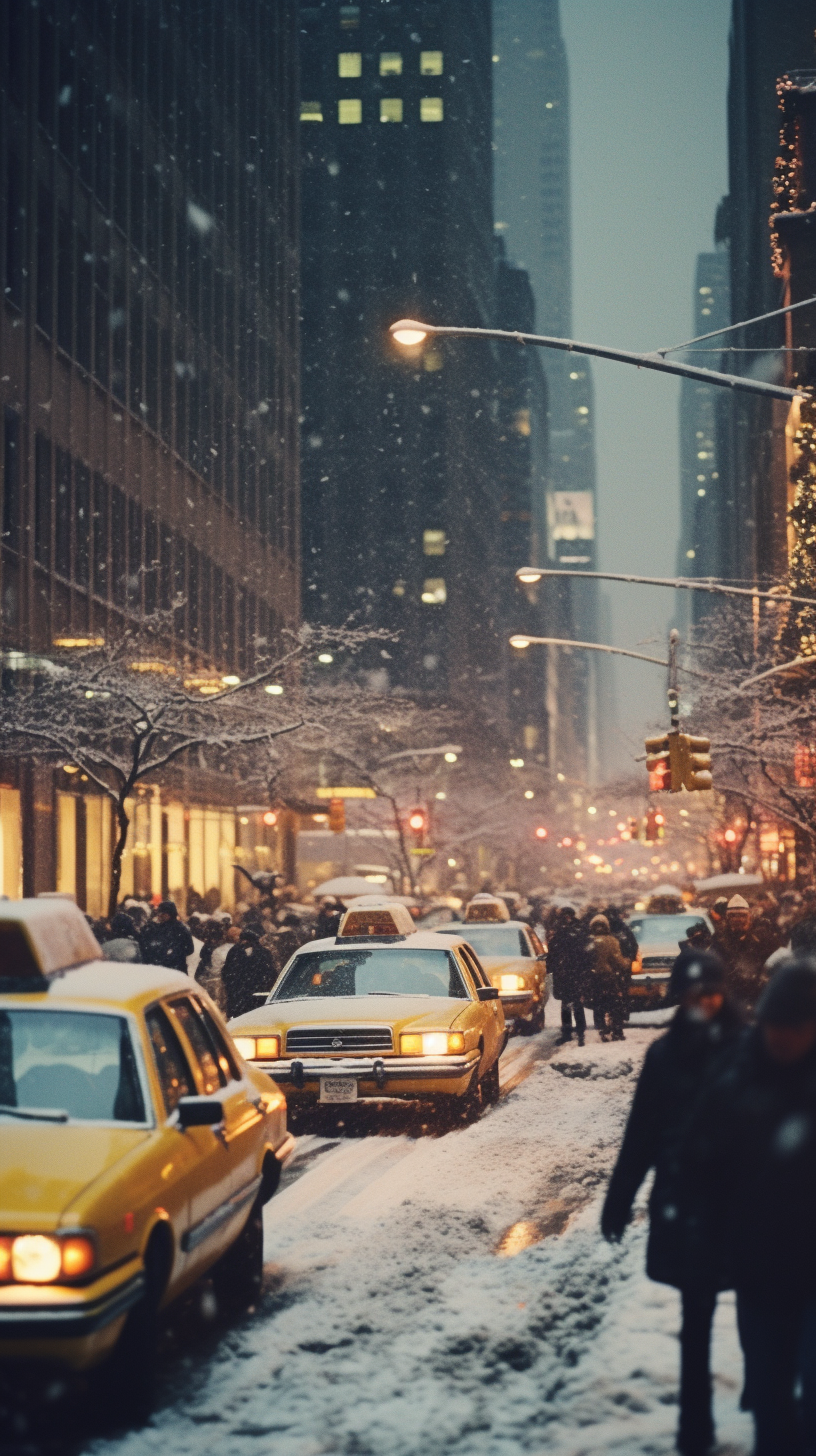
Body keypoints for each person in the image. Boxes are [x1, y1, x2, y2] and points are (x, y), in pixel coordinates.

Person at [602, 950, 742, 1456]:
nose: (702, 1004)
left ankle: (761, 1390)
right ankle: (695, 1426)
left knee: (757, 1307)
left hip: (742, 1205)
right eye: (692, 996)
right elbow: (641, 1136)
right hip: (688, 1205)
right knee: (697, 1316)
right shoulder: (664, 1056)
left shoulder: (747, 1049)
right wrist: (619, 1200)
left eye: (709, 995)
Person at [682, 962, 816, 1456]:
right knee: (769, 1392)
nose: (784, 1037)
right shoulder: (734, 1082)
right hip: (762, 1270)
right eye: (776, 1025)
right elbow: (699, 1165)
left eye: (797, 1027)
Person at [711, 893, 776, 1011]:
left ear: (749, 917)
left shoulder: (761, 938)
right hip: (730, 995)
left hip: (757, 993)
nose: (738, 919)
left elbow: (773, 962)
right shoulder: (719, 939)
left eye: (742, 915)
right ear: (728, 918)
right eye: (733, 916)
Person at [548, 907, 590, 1046]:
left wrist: (551, 967)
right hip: (575, 972)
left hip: (565, 972)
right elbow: (586, 952)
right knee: (576, 1003)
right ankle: (579, 1032)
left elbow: (553, 953)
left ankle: (568, 1032)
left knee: (567, 1003)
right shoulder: (580, 930)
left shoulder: (560, 931)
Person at [586, 913, 630, 1041]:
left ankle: (602, 1029)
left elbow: (584, 960)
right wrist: (626, 963)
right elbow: (618, 961)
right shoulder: (612, 941)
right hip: (609, 976)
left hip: (593, 978)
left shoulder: (588, 942)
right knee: (615, 1003)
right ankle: (617, 1030)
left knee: (598, 1004)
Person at [222, 927, 278, 1020]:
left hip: (238, 998)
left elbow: (226, 973)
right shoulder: (264, 952)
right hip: (257, 998)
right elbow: (271, 974)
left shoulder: (233, 951)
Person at [138, 901, 194, 973]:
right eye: (159, 913)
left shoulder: (178, 929)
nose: (160, 915)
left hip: (170, 968)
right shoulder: (180, 928)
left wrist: (173, 954)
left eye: (163, 913)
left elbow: (189, 948)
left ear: (170, 914)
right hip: (175, 969)